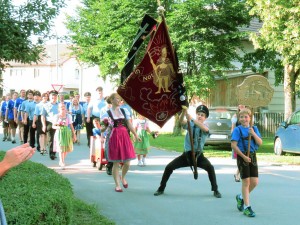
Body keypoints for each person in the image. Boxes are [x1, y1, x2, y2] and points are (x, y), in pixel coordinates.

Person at [154, 105, 222, 198]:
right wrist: (183, 112)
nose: (200, 116)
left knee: (210, 168)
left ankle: (215, 190)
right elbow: (181, 121)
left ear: (205, 118)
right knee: (169, 167)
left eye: (202, 115)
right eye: (198, 114)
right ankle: (161, 188)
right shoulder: (190, 124)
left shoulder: (205, 125)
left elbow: (205, 129)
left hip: (198, 156)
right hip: (187, 155)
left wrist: (192, 119)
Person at [100, 93, 141, 192]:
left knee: (127, 162)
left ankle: (123, 177)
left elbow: (129, 124)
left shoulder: (124, 110)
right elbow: (102, 129)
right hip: (114, 137)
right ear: (112, 100)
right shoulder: (107, 113)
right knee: (116, 163)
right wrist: (105, 126)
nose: (119, 100)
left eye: (119, 99)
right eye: (117, 99)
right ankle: (117, 185)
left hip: (124, 136)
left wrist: (135, 134)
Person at [231, 108, 262, 217]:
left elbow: (260, 142)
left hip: (252, 156)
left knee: (254, 182)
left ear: (250, 118)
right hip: (242, 156)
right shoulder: (237, 130)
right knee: (246, 182)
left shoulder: (254, 128)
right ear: (239, 119)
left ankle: (240, 197)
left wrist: (253, 134)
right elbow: (233, 145)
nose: (244, 119)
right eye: (242, 117)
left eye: (246, 117)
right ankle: (247, 207)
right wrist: (243, 157)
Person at [52, 103, 76, 169]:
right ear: (58, 109)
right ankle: (62, 162)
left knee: (66, 148)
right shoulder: (56, 116)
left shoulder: (68, 116)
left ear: (65, 108)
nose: (62, 108)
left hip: (67, 133)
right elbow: (53, 126)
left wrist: (74, 134)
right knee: (61, 148)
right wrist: (58, 127)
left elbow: (71, 125)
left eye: (63, 107)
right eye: (61, 107)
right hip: (59, 133)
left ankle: (62, 160)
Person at [41, 90, 59, 160]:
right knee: (51, 139)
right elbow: (43, 116)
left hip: (58, 124)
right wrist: (44, 125)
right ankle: (51, 153)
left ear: (56, 96)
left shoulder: (59, 105)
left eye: (55, 95)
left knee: (57, 139)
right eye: (52, 95)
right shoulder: (46, 105)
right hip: (50, 123)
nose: (53, 97)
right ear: (49, 96)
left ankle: (55, 152)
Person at [231, 104, 246, 182]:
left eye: (243, 106)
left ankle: (238, 173)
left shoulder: (248, 116)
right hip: (238, 139)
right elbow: (233, 128)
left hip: (246, 139)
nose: (242, 107)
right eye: (240, 106)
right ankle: (237, 174)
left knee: (244, 158)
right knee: (240, 158)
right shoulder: (235, 116)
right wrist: (233, 139)